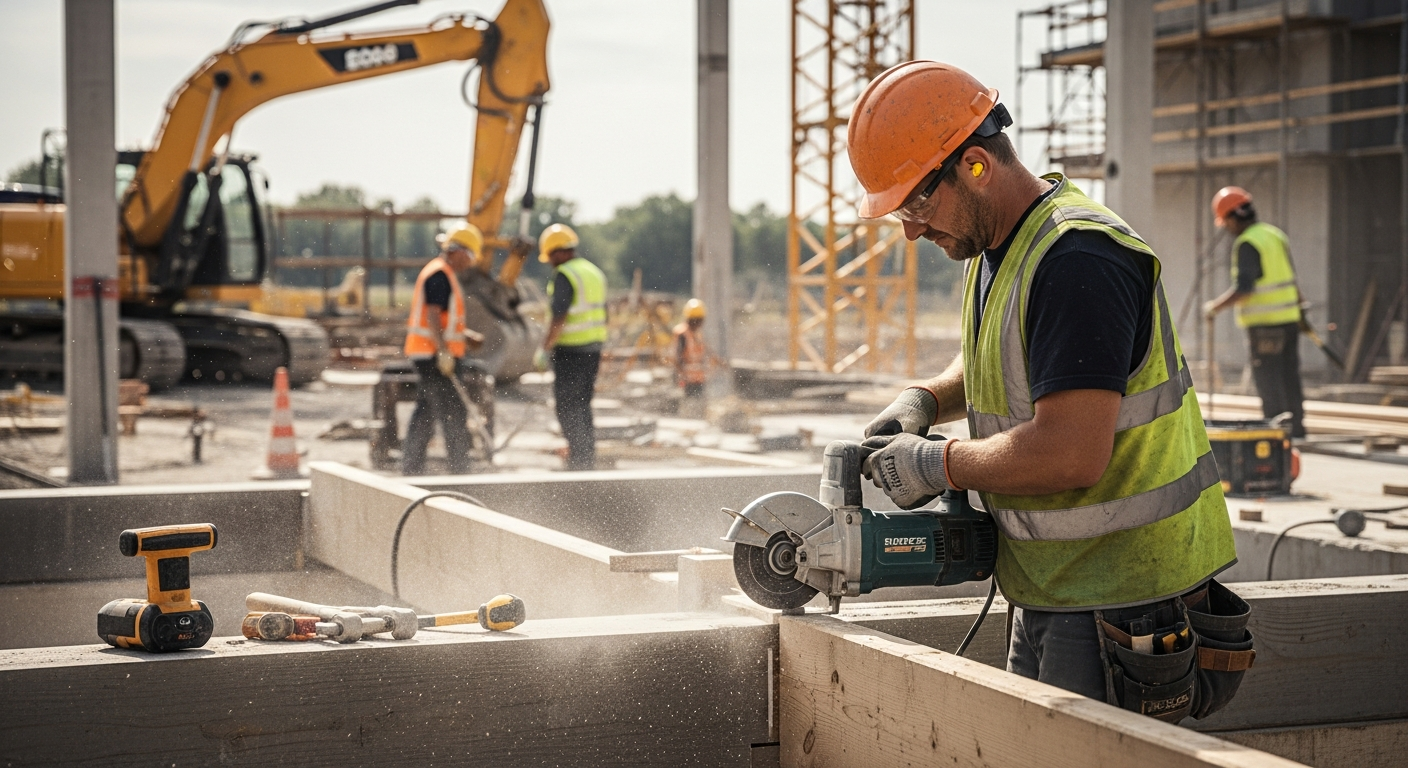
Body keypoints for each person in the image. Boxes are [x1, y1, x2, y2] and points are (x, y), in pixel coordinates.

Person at [848, 61, 1243, 722]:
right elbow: (1010, 357)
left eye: (917, 201)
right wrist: (924, 398)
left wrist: (936, 464)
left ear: (975, 165)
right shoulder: (1003, 247)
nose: (911, 229)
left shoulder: (1078, 258)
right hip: (1059, 590)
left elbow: (1068, 454)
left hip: (1121, 599)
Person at [1202, 187, 1306, 438]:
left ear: (1232, 217)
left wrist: (1215, 306)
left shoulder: (1247, 243)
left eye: (1225, 221)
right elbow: (1291, 278)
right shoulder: (1274, 235)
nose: (1226, 227)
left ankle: (1276, 432)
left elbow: (1244, 289)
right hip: (1289, 319)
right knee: (1289, 376)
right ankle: (1298, 429)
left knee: (1269, 379)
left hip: (1265, 325)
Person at [401, 225, 484, 475]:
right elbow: (433, 315)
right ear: (458, 251)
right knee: (452, 413)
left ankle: (411, 467)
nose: (470, 263)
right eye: (470, 257)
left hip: (432, 353)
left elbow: (443, 318)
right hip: (433, 356)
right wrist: (443, 352)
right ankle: (460, 470)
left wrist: (465, 336)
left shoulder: (442, 273)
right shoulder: (439, 274)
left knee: (427, 411)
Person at [533, 223, 607, 470]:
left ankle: (579, 461)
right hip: (592, 350)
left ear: (560, 252)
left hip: (571, 352)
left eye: (551, 256)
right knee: (582, 405)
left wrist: (545, 348)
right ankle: (586, 458)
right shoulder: (594, 272)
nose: (551, 262)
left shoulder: (566, 274)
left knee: (567, 408)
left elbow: (559, 315)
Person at [674, 298, 709, 415]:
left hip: (699, 380)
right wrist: (681, 376)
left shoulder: (698, 334)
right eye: (697, 320)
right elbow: (676, 358)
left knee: (699, 410)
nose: (699, 323)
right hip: (686, 382)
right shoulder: (682, 334)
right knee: (688, 411)